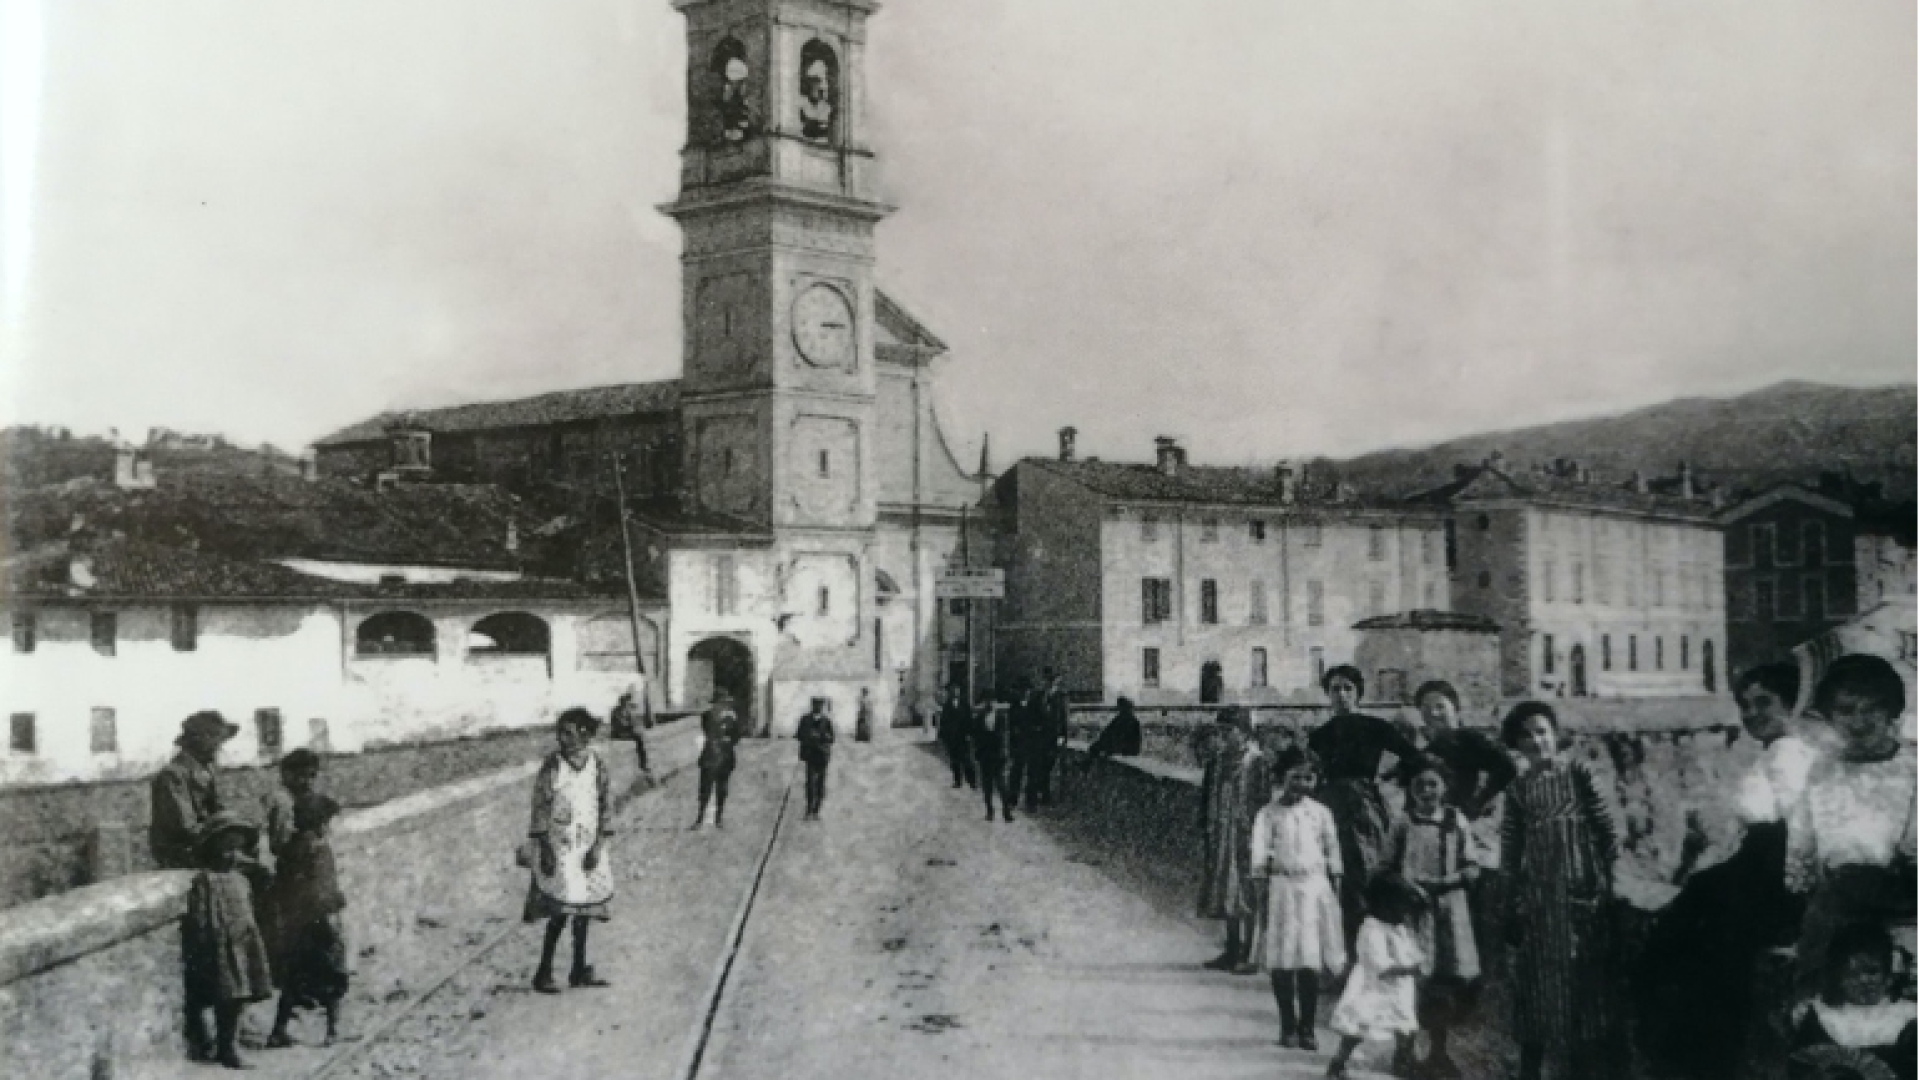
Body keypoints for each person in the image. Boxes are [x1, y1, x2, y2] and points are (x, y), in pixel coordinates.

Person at [1642, 661, 1814, 1079]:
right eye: (1745, 706)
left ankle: (1696, 1055)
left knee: (1697, 939)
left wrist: (1790, 892)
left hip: (1773, 869)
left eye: (1764, 703)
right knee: (1695, 912)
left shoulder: (1789, 755)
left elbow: (1797, 831)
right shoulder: (1770, 752)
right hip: (1759, 861)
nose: (1752, 714)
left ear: (1790, 703)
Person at [1500, 701, 1624, 1080]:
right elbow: (1510, 854)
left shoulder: (1579, 775)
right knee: (1536, 992)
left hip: (1581, 900)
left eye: (1542, 731)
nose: (1536, 741)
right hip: (1539, 904)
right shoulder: (1518, 791)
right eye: (1526, 735)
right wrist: (1510, 905)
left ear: (1555, 735)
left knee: (1583, 995)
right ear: (1516, 744)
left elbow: (1609, 834)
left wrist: (1609, 887)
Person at [1786, 655, 1919, 999]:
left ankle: (1808, 990)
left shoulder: (1911, 764)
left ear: (1891, 711)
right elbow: (1803, 840)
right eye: (1846, 710)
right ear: (1830, 716)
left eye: (1871, 709)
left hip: (1905, 881)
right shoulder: (1822, 770)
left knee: (1850, 883)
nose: (1859, 721)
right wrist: (1805, 880)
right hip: (1841, 893)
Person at [1384, 756, 1483, 1079]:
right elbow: (1384, 868)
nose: (1426, 791)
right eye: (1419, 785)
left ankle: (1438, 1053)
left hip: (1449, 912)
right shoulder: (1402, 822)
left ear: (1445, 787)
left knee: (1442, 983)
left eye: (1433, 784)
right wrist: (1407, 886)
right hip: (1412, 912)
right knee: (1410, 982)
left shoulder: (1457, 821)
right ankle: (1404, 1052)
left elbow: (1472, 867)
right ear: (1410, 789)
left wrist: (1446, 882)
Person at [1307, 666, 1420, 947]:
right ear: (1327, 694)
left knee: (1365, 873)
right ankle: (1339, 950)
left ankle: (1370, 950)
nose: (1342, 694)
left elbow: (1413, 757)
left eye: (1348, 688)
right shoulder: (1319, 735)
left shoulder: (1375, 727)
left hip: (1363, 806)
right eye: (1335, 689)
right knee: (1331, 874)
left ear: (1358, 693)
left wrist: (1387, 778)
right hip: (1329, 805)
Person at [1251, 746, 1344, 1050]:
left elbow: (1332, 849)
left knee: (1309, 959)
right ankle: (1287, 1025)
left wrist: (1335, 884)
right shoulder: (1268, 814)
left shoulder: (1320, 813)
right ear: (1282, 776)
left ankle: (1307, 1027)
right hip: (1282, 890)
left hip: (1314, 891)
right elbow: (1259, 855)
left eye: (1308, 778)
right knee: (1282, 959)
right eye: (1295, 777)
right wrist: (1261, 889)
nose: (1302, 784)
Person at [525, 709, 615, 993]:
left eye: (568, 733)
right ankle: (544, 972)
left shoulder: (596, 766)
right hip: (560, 847)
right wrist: (545, 849)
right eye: (560, 732)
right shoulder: (553, 766)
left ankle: (579, 969)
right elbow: (540, 807)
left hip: (587, 846)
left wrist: (598, 846)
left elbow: (605, 807)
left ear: (585, 735)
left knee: (584, 909)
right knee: (560, 910)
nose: (562, 739)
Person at [183, 812, 274, 1069]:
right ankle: (226, 1048)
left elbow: (259, 891)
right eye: (225, 849)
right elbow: (201, 917)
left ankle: (231, 1042)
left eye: (236, 848)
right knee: (227, 996)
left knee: (240, 996)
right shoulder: (205, 880)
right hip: (220, 946)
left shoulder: (241, 879)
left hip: (242, 943)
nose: (231, 855)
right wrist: (205, 942)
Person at [266, 794, 349, 1048]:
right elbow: (323, 891)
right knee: (334, 974)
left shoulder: (290, 848)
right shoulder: (320, 849)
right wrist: (334, 910)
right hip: (320, 922)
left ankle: (278, 1030)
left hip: (296, 924)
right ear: (320, 822)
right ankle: (333, 1031)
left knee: (294, 977)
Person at [1325, 874, 1427, 1080]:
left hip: (1398, 989)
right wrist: (1409, 969)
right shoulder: (1372, 929)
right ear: (1383, 904)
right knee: (1358, 1026)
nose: (1404, 913)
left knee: (1406, 1027)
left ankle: (1404, 1062)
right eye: (1400, 906)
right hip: (1372, 987)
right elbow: (1379, 965)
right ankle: (1338, 1063)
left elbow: (1410, 952)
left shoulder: (1399, 928)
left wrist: (1417, 963)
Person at [1788, 922, 1919, 1080]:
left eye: (1872, 972)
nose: (1864, 981)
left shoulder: (1910, 1018)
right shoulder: (1819, 1016)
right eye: (1853, 974)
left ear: (1887, 975)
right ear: (1838, 979)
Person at [1198, 707, 1271, 974]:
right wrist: (1207, 829)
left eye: (1230, 731)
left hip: (1246, 835)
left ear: (1245, 733)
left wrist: (1260, 835)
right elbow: (1206, 797)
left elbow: (1264, 802)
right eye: (1221, 731)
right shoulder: (1217, 763)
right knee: (1225, 890)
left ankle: (1248, 952)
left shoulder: (1256, 763)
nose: (1224, 736)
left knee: (1246, 890)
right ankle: (1231, 948)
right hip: (1222, 833)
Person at [1409, 680, 1516, 820]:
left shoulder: (1469, 739)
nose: (1433, 713)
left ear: (1455, 708)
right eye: (1426, 708)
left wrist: (1481, 799)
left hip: (1464, 821)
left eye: (1440, 706)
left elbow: (1508, 767)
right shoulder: (1431, 745)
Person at [151, 711, 239, 870]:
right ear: (199, 741)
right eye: (214, 738)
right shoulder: (173, 776)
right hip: (182, 854)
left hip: (206, 847)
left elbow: (218, 810)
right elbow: (185, 828)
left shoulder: (206, 771)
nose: (219, 747)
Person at [693, 691, 744, 829]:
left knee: (722, 789)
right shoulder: (707, 716)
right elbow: (707, 731)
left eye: (723, 703)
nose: (720, 706)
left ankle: (718, 818)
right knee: (705, 788)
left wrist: (729, 739)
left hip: (725, 756)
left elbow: (737, 735)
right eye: (718, 703)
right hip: (710, 755)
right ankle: (700, 818)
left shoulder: (731, 717)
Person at [971, 691, 1016, 823]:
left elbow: (1005, 736)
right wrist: (978, 753)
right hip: (985, 755)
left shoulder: (1002, 718)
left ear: (996, 703)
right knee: (987, 785)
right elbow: (976, 738)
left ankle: (1006, 811)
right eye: (987, 700)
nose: (990, 703)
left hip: (998, 755)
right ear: (984, 702)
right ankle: (989, 811)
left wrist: (1005, 752)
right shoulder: (978, 719)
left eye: (992, 700)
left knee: (1002, 784)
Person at [796, 696, 836, 821]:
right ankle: (809, 809)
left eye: (820, 705)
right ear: (812, 705)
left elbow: (832, 738)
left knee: (820, 784)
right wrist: (808, 736)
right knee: (810, 784)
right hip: (810, 756)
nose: (817, 707)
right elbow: (798, 735)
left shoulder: (826, 721)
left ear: (822, 706)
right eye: (815, 705)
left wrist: (822, 736)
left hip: (822, 756)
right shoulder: (805, 719)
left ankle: (816, 811)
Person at [1006, 677, 1043, 810]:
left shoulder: (1035, 705)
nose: (1024, 692)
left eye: (1026, 690)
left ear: (1029, 691)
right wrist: (1012, 742)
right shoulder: (1014, 706)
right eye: (1021, 690)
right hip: (1019, 744)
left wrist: (1035, 730)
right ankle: (1012, 799)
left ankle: (1031, 802)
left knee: (1033, 773)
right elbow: (1011, 726)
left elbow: (1041, 723)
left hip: (1033, 744)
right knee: (1016, 771)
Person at [1083, 696, 1144, 771]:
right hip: (1123, 747)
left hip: (1127, 749)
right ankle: (1087, 766)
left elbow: (1123, 737)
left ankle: (1086, 767)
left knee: (1095, 748)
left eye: (1120, 707)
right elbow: (1108, 731)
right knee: (1095, 747)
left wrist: (1107, 745)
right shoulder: (1122, 718)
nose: (1119, 708)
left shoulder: (1128, 720)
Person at [609, 684, 654, 783]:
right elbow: (621, 724)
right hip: (619, 733)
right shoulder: (616, 711)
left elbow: (630, 722)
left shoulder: (626, 710)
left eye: (628, 701)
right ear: (622, 702)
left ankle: (644, 761)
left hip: (624, 731)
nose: (627, 703)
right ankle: (643, 763)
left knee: (640, 735)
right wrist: (631, 726)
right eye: (626, 701)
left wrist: (633, 725)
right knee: (638, 737)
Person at [939, 686, 977, 789]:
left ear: (959, 692)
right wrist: (944, 737)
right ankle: (957, 781)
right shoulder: (947, 706)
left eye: (957, 690)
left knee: (967, 760)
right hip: (952, 739)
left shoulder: (965, 705)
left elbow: (970, 720)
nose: (955, 692)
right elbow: (943, 722)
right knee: (954, 761)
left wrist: (969, 734)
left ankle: (972, 781)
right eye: (953, 690)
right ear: (951, 692)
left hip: (963, 737)